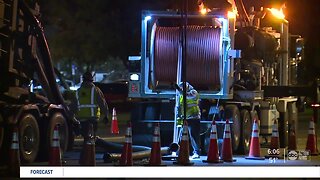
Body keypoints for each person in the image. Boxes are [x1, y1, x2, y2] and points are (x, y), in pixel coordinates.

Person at [75, 71, 109, 163]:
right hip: (93, 119)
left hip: (82, 119)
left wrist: (72, 119)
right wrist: (106, 115)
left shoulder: (78, 91)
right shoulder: (96, 90)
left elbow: (73, 106)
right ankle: (87, 159)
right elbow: (102, 103)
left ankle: (84, 159)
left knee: (86, 139)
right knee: (90, 140)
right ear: (91, 80)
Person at [177, 82, 201, 159]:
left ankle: (196, 152)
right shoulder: (181, 95)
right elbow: (179, 106)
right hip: (185, 118)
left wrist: (181, 92)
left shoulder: (194, 92)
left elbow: (188, 97)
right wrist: (178, 115)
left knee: (193, 136)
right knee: (181, 135)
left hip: (194, 117)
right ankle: (179, 151)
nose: (182, 89)